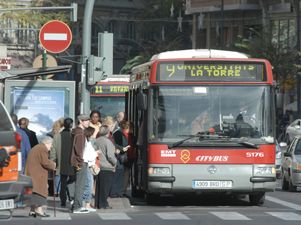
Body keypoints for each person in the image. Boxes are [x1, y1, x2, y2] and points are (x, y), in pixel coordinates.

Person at [25, 136, 56, 217]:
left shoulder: (37, 147)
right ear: (47, 143)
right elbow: (45, 162)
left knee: (35, 191)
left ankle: (32, 210)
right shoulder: (42, 149)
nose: (51, 147)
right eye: (51, 145)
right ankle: (39, 210)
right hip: (37, 174)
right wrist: (53, 164)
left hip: (32, 173)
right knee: (40, 190)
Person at [50, 117, 75, 207]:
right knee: (72, 180)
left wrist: (53, 159)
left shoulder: (57, 136)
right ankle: (71, 197)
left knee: (63, 182)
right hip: (72, 162)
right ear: (71, 124)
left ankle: (63, 200)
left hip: (62, 162)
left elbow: (53, 150)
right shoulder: (73, 135)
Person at [70, 114, 90, 214]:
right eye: (86, 120)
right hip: (81, 162)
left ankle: (76, 205)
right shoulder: (80, 134)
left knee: (79, 184)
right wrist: (80, 162)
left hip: (78, 161)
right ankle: (77, 206)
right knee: (80, 184)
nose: (88, 122)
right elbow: (79, 150)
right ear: (80, 121)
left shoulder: (77, 132)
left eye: (88, 120)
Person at [94, 125, 117, 209]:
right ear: (108, 132)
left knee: (99, 187)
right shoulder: (108, 142)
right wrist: (115, 162)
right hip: (107, 166)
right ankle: (103, 204)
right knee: (106, 188)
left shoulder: (96, 141)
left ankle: (98, 203)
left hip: (99, 165)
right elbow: (110, 156)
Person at [82, 126, 97, 212]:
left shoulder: (87, 141)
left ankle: (86, 203)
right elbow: (87, 156)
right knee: (89, 184)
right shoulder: (86, 142)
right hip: (87, 164)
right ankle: (86, 204)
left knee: (88, 184)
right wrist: (96, 153)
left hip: (88, 164)